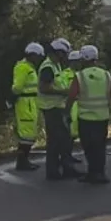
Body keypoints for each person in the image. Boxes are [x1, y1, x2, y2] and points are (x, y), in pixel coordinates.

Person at [66, 44, 111, 184]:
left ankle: (92, 173)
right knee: (100, 146)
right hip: (102, 117)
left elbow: (72, 96)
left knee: (89, 147)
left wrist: (66, 112)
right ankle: (101, 173)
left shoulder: (80, 76)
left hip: (86, 117)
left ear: (85, 58)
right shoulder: (106, 75)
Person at [38, 37, 81, 180]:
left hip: (56, 108)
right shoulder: (48, 67)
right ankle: (58, 171)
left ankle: (59, 170)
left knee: (60, 141)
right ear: (58, 52)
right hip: (52, 108)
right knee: (59, 141)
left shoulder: (55, 66)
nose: (64, 57)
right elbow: (44, 88)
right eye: (63, 53)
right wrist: (64, 92)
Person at [11, 42, 46, 171]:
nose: (39, 60)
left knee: (29, 133)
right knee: (26, 134)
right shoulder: (23, 67)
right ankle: (22, 162)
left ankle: (24, 160)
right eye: (38, 56)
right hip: (25, 103)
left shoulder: (29, 67)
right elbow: (17, 87)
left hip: (30, 103)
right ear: (31, 55)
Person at [65, 50, 84, 163]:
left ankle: (69, 155)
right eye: (78, 61)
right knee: (68, 133)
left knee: (74, 134)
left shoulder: (81, 74)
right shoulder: (66, 74)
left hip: (79, 105)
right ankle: (66, 156)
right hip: (71, 105)